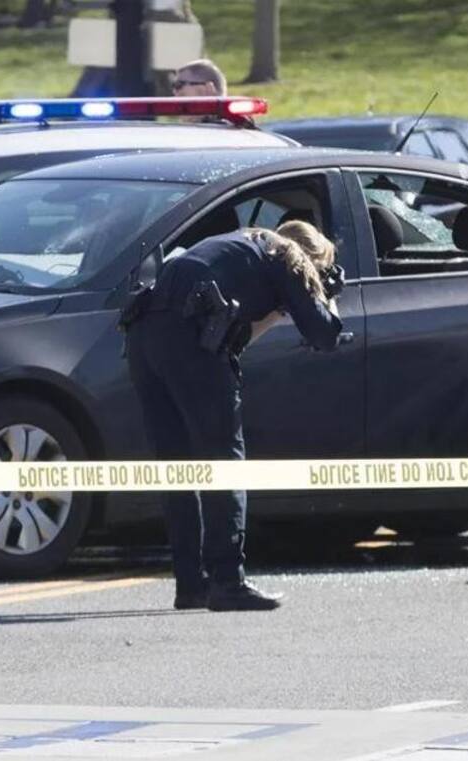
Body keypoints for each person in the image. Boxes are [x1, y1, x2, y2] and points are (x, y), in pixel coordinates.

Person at [123, 221, 343, 612]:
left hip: (144, 335)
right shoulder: (286, 256)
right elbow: (324, 335)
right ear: (311, 257)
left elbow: (233, 341)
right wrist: (326, 297)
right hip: (185, 337)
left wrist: (276, 311)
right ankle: (228, 580)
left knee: (176, 466)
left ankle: (191, 584)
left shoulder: (244, 243)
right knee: (225, 460)